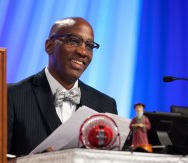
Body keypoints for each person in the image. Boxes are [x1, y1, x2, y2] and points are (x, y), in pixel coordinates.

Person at [8, 17, 118, 156]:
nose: (83, 52)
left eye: (89, 46)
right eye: (73, 41)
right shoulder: (11, 96)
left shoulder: (106, 106)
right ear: (49, 46)